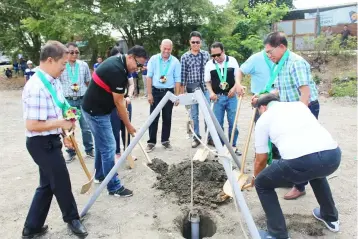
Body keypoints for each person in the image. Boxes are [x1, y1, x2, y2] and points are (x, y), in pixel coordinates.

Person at [21, 40, 88, 238]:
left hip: (51, 139)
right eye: (63, 64)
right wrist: (60, 124)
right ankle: (72, 219)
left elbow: (60, 107)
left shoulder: (53, 81)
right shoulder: (36, 87)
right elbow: (31, 125)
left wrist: (66, 129)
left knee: (47, 185)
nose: (65, 68)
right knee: (61, 181)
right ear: (50, 60)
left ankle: (31, 228)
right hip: (40, 144)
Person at [252, 94, 341, 239]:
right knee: (316, 172)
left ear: (263, 107)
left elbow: (261, 159)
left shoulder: (264, 118)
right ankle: (331, 218)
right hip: (332, 155)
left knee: (262, 183)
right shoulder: (299, 105)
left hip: (300, 161)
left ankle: (277, 234)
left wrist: (256, 177)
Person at [252, 31, 320, 200]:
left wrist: (299, 116)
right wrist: (262, 97)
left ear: (281, 47)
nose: (268, 56)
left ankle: (300, 186)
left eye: (270, 52)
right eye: (266, 53)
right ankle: (293, 180)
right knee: (288, 148)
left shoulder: (295, 63)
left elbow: (305, 92)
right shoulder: (280, 64)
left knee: (301, 149)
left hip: (304, 109)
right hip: (290, 109)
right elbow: (279, 90)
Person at [82, 45, 147, 196]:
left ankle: (100, 175)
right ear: (130, 57)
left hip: (97, 108)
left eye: (141, 67)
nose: (138, 69)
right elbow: (119, 103)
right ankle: (114, 187)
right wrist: (129, 125)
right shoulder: (116, 70)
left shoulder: (120, 63)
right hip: (95, 112)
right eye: (138, 65)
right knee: (109, 147)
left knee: (102, 144)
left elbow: (118, 100)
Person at [59, 42, 94, 163]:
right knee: (69, 127)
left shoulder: (83, 65)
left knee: (86, 126)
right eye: (71, 52)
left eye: (77, 52)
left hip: (82, 99)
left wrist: (91, 97)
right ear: (66, 53)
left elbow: (88, 82)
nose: (74, 54)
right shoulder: (62, 65)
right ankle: (71, 152)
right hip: (68, 101)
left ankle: (89, 150)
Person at [204, 42, 241, 154]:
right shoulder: (209, 65)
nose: (216, 58)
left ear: (223, 51)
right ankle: (220, 148)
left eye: (218, 55)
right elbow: (207, 82)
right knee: (218, 123)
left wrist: (234, 89)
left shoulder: (232, 61)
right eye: (213, 55)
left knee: (232, 122)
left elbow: (238, 78)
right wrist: (211, 93)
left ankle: (232, 147)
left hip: (231, 97)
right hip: (217, 98)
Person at [145, 39, 181, 152]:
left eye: (169, 49)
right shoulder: (154, 59)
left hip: (169, 92)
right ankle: (151, 142)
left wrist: (177, 95)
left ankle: (165, 141)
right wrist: (149, 94)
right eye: (164, 48)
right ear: (160, 47)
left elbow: (177, 79)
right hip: (156, 91)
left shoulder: (175, 61)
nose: (166, 51)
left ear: (172, 48)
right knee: (153, 117)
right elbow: (149, 77)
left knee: (167, 117)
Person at [180, 31, 211, 148]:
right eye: (193, 42)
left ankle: (209, 137)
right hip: (191, 90)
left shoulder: (206, 55)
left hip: (205, 88)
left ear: (201, 43)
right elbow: (183, 76)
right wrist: (182, 92)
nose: (195, 44)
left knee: (208, 114)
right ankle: (196, 137)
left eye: (197, 42)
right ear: (190, 42)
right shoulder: (185, 57)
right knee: (194, 115)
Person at [108, 46, 136, 160]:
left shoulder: (126, 70)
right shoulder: (110, 70)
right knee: (114, 128)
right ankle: (117, 152)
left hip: (126, 102)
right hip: (113, 104)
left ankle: (128, 151)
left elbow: (132, 84)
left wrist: (128, 96)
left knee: (126, 126)